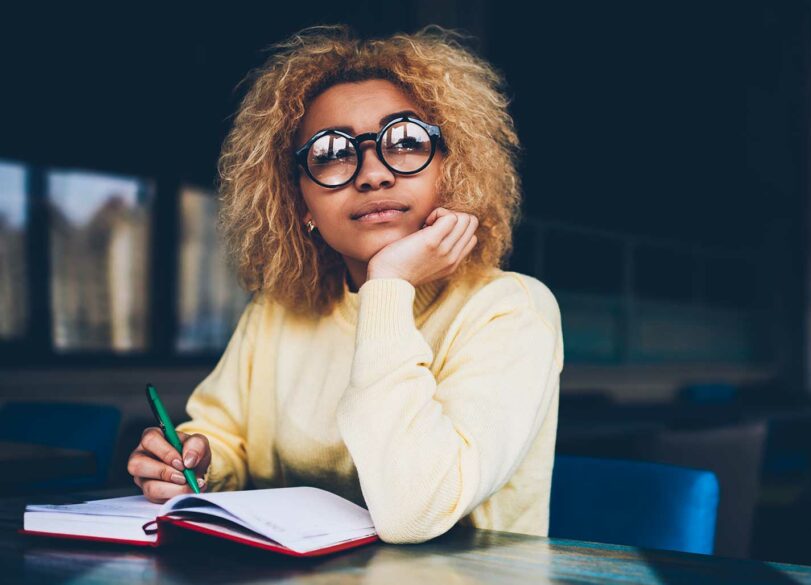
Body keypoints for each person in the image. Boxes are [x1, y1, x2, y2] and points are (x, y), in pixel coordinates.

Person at [125, 23, 564, 544]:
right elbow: (226, 437)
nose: (372, 174)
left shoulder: (510, 309)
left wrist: (390, 283)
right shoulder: (276, 311)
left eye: (404, 141)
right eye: (331, 153)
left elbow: (414, 510)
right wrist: (195, 459)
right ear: (301, 201)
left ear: (452, 166)